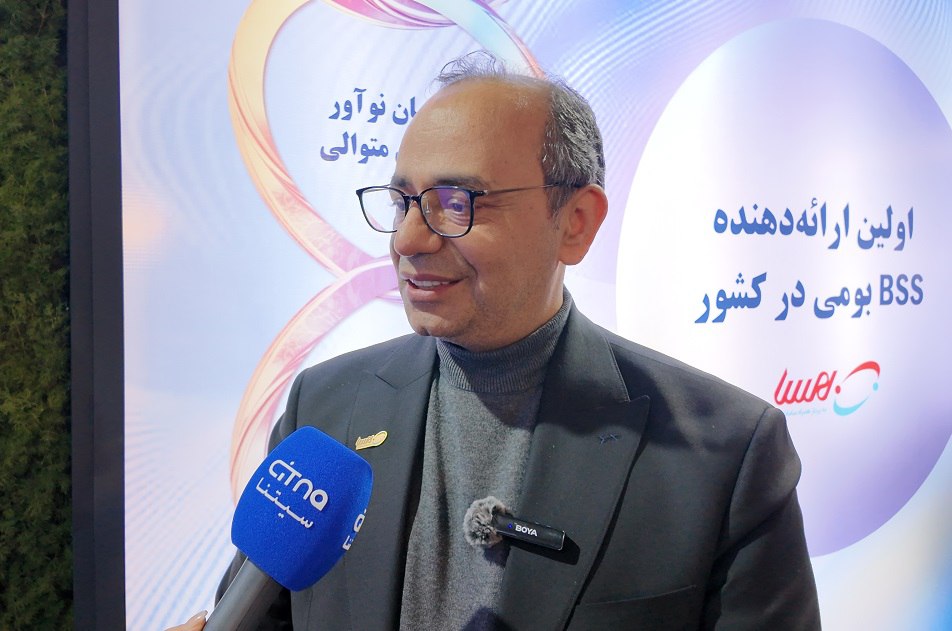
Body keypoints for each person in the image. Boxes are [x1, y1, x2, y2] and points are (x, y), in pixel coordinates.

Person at [175, 51, 820, 630]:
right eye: (402, 202)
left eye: (458, 203)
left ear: (575, 222)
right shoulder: (325, 408)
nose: (408, 240)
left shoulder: (723, 454)